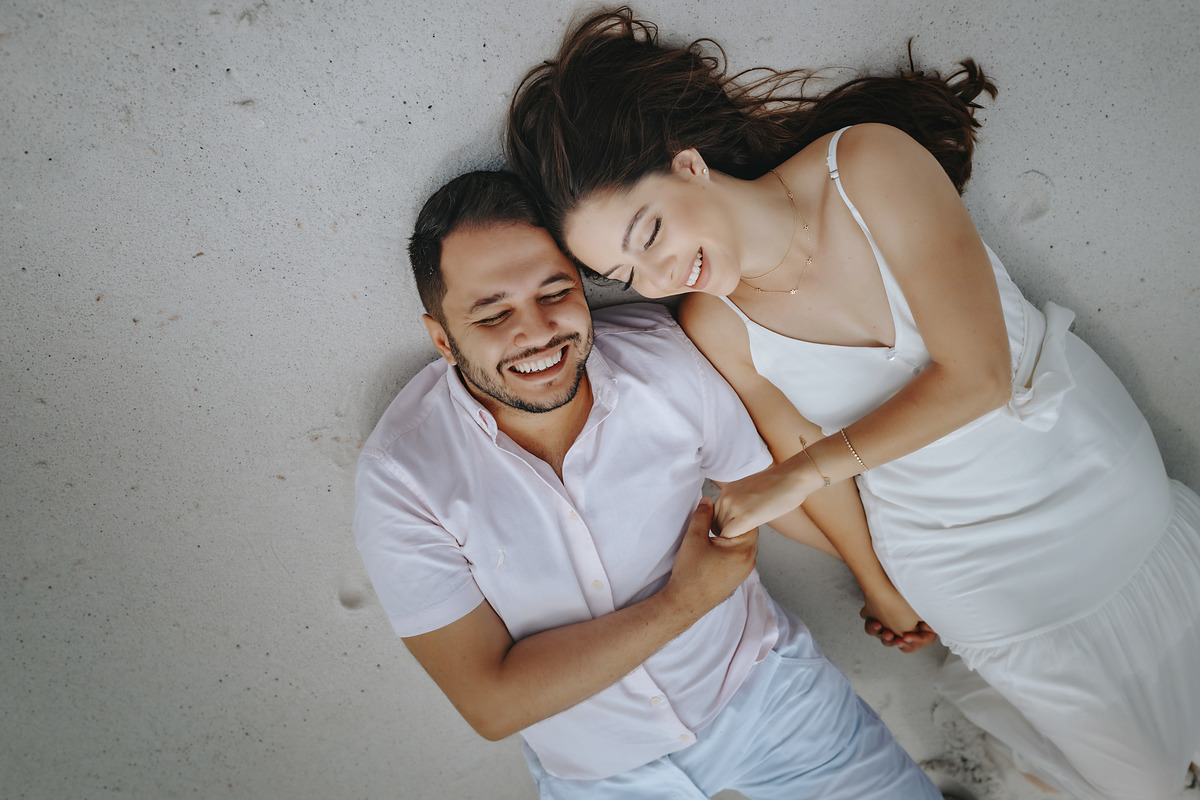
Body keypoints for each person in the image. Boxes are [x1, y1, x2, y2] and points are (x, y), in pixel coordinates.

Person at [504, 8, 1200, 800]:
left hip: (1089, 466)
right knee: (1146, 779)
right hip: (961, 561)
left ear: (689, 165)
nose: (658, 276)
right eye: (627, 276)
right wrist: (881, 585)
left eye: (648, 231)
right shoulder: (714, 323)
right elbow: (815, 476)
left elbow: (978, 378)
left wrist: (799, 475)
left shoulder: (866, 165)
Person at [352, 169, 948, 799]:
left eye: (554, 292)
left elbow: (776, 491)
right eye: (494, 314)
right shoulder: (402, 478)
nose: (537, 332)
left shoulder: (663, 362)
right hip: (600, 774)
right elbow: (492, 704)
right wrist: (684, 601)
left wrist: (893, 581)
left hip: (767, 693)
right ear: (442, 339)